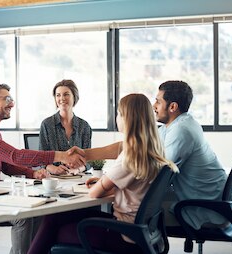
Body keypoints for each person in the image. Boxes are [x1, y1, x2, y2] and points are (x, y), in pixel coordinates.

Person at [28, 93, 178, 254]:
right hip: (140, 233)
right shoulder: (151, 151)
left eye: (119, 114)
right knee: (56, 217)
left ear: (127, 118)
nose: (117, 118)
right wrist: (106, 180)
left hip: (123, 235)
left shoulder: (130, 157)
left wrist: (103, 182)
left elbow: (94, 193)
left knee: (57, 228)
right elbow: (132, 182)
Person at [0, 84, 85, 254]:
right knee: (22, 217)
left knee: (36, 211)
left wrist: (32, 173)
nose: (12, 104)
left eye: (12, 99)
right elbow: (15, 156)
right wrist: (59, 156)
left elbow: (6, 164)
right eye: (6, 99)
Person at [153, 80, 228, 229]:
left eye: (158, 102)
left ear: (173, 107)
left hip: (206, 210)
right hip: (208, 202)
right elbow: (141, 144)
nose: (153, 106)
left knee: (136, 214)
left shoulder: (181, 130)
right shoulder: (179, 124)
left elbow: (158, 175)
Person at [39, 79, 92, 175]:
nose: (62, 98)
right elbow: (41, 159)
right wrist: (54, 169)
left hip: (77, 177)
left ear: (74, 97)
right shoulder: (47, 124)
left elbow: (88, 159)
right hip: (53, 178)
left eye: (66, 94)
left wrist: (77, 170)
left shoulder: (84, 126)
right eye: (58, 95)